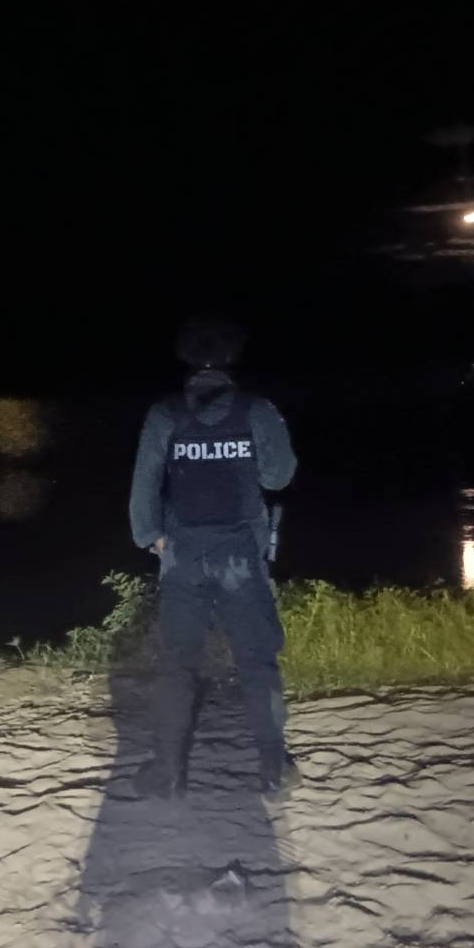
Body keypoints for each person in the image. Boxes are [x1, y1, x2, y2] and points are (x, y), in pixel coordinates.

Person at [127, 318, 298, 798]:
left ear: (187, 361)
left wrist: (150, 537)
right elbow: (279, 476)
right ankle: (273, 768)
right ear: (231, 360)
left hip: (183, 555)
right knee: (257, 660)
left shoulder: (164, 414)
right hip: (241, 555)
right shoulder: (257, 410)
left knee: (177, 662)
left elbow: (145, 483)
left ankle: (169, 772)